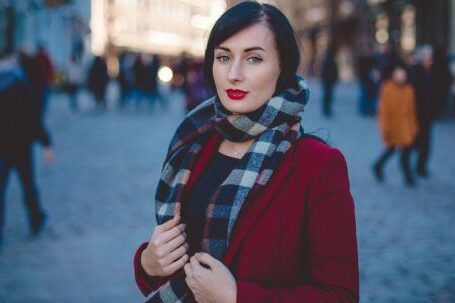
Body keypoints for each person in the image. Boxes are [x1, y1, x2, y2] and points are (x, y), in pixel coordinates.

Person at [133, 2, 358, 302]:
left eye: (254, 59)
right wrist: (147, 263)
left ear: (283, 67)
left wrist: (237, 297)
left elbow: (340, 295)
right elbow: (170, 268)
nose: (234, 74)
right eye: (224, 57)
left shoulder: (318, 166)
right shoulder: (194, 145)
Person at [0, 52, 54, 243]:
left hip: (5, 146)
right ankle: (36, 219)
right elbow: (32, 119)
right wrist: (46, 142)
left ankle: (35, 218)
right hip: (20, 146)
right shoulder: (22, 87)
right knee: (28, 186)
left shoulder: (18, 86)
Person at [373, 61, 418, 187]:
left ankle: (408, 177)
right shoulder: (387, 89)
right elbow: (383, 113)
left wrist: (413, 127)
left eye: (402, 74)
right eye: (398, 74)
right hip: (393, 128)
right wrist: (385, 129)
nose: (400, 76)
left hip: (406, 128)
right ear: (393, 75)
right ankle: (378, 166)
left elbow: (411, 111)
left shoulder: (409, 90)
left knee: (404, 153)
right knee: (391, 150)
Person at [410, 45, 436, 177]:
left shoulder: (430, 72)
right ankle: (415, 167)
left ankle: (421, 167)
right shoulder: (416, 73)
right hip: (417, 114)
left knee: (425, 143)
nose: (430, 61)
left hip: (426, 114)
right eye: (427, 58)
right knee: (412, 142)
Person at [320, 44, 338, 117]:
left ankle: (326, 109)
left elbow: (323, 72)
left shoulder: (326, 60)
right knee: (328, 95)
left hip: (327, 81)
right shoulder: (331, 61)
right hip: (329, 81)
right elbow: (334, 71)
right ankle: (327, 109)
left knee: (327, 95)